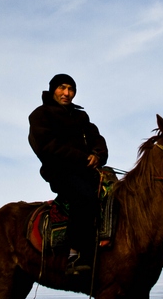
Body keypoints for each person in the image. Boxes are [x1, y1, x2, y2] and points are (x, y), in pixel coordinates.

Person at [28, 73, 108, 272]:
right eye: (62, 88)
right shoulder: (40, 115)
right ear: (52, 89)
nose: (66, 93)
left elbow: (96, 138)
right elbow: (47, 146)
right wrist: (82, 158)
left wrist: (97, 155)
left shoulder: (80, 117)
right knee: (85, 196)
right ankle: (75, 255)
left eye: (71, 89)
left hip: (88, 170)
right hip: (59, 171)